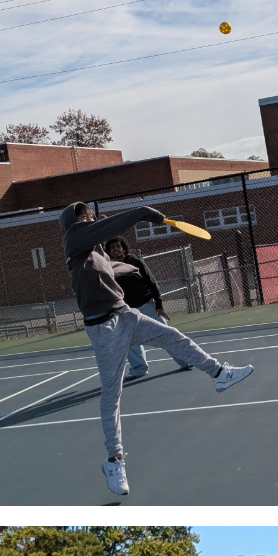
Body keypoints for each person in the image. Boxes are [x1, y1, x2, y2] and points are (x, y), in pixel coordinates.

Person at [60, 201, 253, 495]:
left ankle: (219, 374)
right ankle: (114, 460)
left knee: (173, 336)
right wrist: (142, 212)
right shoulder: (74, 238)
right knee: (111, 396)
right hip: (103, 329)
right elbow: (108, 227)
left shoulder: (94, 246)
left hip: (125, 315)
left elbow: (109, 257)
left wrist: (129, 267)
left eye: (88, 215)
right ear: (71, 223)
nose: (88, 218)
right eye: (82, 216)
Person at [104, 237, 191, 378]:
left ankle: (185, 361)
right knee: (128, 339)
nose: (115, 249)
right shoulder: (109, 268)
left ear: (123, 249)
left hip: (146, 305)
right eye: (112, 248)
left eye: (117, 246)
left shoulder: (135, 262)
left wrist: (159, 303)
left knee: (164, 332)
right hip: (126, 310)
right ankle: (139, 368)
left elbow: (151, 281)